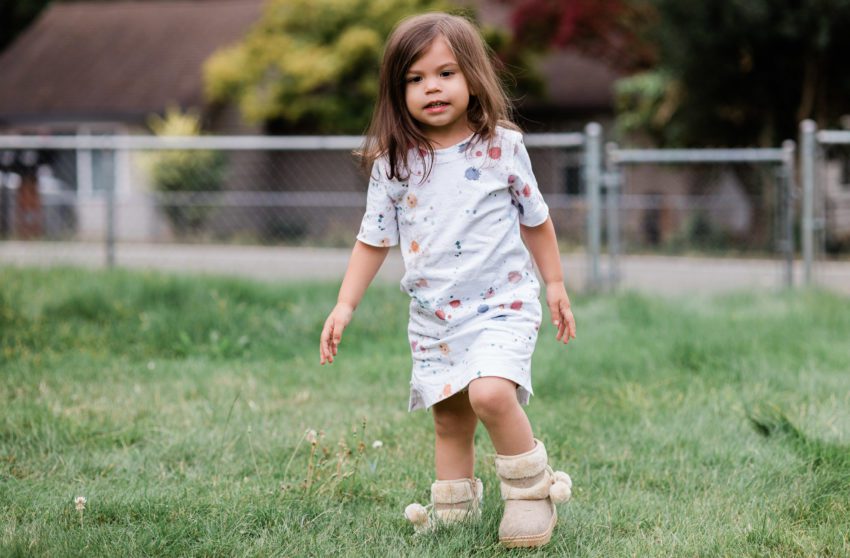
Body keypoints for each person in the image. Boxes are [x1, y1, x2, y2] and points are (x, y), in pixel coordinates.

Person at [318, 12, 577, 548]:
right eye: (414, 79)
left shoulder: (501, 147)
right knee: (450, 418)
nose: (430, 87)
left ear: (472, 79)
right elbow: (373, 239)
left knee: (489, 394)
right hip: (435, 317)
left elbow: (537, 218)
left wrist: (554, 284)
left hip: (503, 304)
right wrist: (345, 305)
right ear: (397, 91)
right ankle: (455, 510)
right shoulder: (395, 163)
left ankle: (531, 494)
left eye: (445, 73)